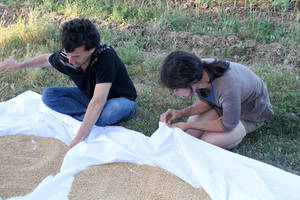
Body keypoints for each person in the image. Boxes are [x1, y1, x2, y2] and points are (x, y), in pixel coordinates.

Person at [0, 18, 137, 148]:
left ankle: (90, 117)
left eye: (76, 56)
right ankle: (90, 117)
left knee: (110, 112)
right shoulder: (68, 56)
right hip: (89, 96)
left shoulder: (106, 57)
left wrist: (77, 141)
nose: (70, 60)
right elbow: (45, 59)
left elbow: (98, 102)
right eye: (68, 54)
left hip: (121, 100)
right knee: (49, 95)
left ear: (91, 49)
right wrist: (18, 66)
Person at [159, 50, 274, 149]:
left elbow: (228, 124)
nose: (174, 92)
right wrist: (180, 113)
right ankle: (221, 121)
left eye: (176, 88)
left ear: (190, 82)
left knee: (208, 141)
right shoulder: (197, 72)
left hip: (250, 112)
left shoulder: (227, 87)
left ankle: (235, 138)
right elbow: (207, 101)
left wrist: (189, 125)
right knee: (189, 135)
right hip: (223, 105)